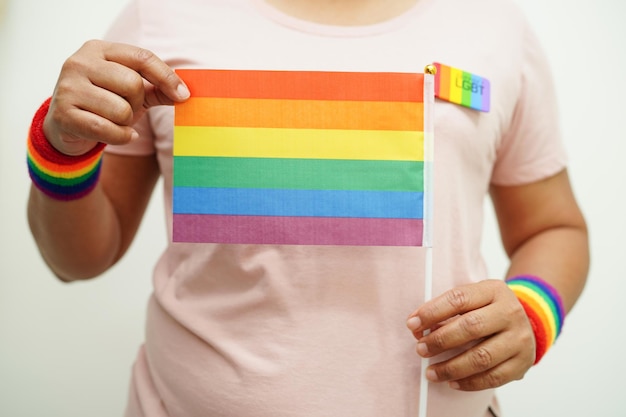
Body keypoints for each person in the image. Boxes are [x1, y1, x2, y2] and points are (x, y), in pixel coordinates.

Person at [26, 0, 589, 416]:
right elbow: (79, 259)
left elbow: (554, 226)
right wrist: (62, 150)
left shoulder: (492, 23)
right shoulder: (161, 18)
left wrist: (532, 314)